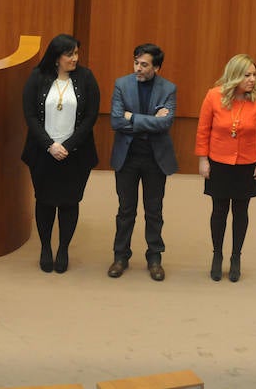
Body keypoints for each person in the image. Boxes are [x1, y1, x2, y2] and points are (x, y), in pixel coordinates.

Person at [21, 34, 99, 273]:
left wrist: (69, 144)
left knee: (69, 202)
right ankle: (46, 248)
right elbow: (30, 115)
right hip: (43, 152)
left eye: (76, 53)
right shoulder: (37, 77)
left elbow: (91, 116)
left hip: (76, 153)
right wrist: (50, 145)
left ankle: (63, 248)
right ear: (56, 57)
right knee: (44, 201)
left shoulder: (86, 78)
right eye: (69, 54)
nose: (75, 58)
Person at [196, 53, 256, 283]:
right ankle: (217, 254)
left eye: (253, 74)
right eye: (246, 75)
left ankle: (236, 256)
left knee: (241, 211)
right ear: (234, 76)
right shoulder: (213, 96)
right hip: (218, 162)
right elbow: (203, 130)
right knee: (219, 210)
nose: (252, 79)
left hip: (247, 164)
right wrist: (203, 159)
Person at [108, 43, 178, 281]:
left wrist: (132, 117)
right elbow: (116, 121)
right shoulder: (122, 85)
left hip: (154, 158)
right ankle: (120, 257)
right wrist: (148, 120)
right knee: (125, 210)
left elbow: (165, 124)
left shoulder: (168, 89)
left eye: (144, 64)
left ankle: (155, 258)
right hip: (127, 157)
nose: (138, 68)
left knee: (154, 211)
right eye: (136, 62)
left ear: (156, 67)